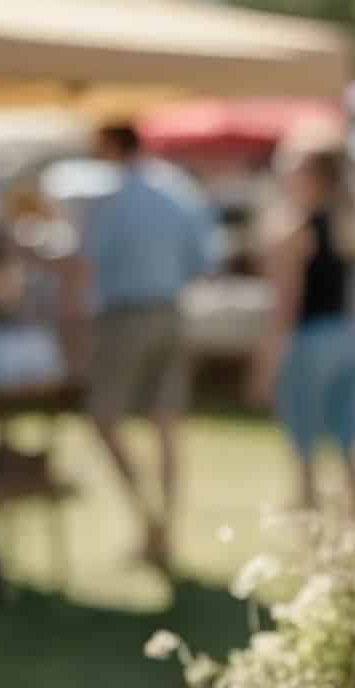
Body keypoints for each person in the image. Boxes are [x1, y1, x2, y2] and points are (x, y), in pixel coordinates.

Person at [82, 123, 213, 566]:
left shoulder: (113, 198)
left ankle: (149, 519)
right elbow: (202, 261)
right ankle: (163, 528)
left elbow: (87, 261)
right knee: (166, 425)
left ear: (114, 146)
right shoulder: (179, 190)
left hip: (125, 315)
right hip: (172, 312)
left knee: (104, 419)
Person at [249, 144, 355, 515]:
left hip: (309, 342)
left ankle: (310, 512)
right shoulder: (348, 223)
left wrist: (266, 364)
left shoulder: (295, 230)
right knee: (348, 437)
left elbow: (286, 303)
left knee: (303, 441)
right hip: (345, 338)